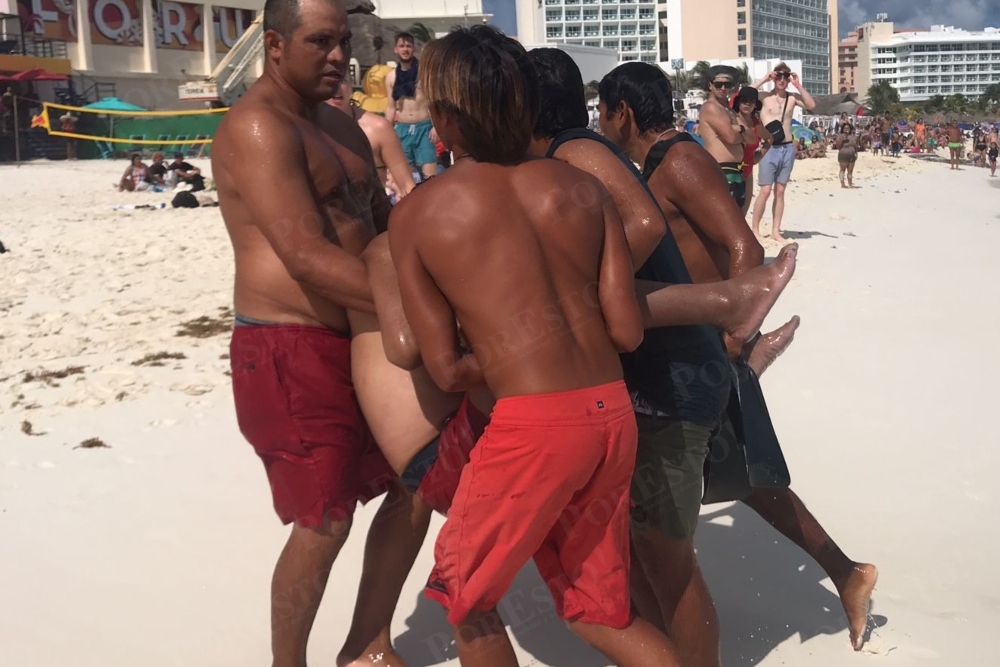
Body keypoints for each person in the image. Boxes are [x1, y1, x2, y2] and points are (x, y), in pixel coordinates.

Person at [390, 25, 685, 666]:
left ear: (443, 117)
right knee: (599, 609)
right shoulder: (584, 190)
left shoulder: (420, 213)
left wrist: (511, 352)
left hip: (530, 429)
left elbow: (445, 366)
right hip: (611, 417)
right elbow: (626, 329)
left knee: (466, 599)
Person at [526, 50, 797, 667]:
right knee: (643, 548)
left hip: (672, 380)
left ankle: (732, 304)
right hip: (663, 375)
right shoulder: (600, 157)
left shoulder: (588, 155)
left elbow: (693, 234)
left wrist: (587, 299)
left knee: (668, 561)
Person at [600, 61, 878, 654]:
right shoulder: (659, 162)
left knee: (693, 488)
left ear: (621, 112)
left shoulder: (678, 160)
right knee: (745, 475)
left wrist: (733, 337)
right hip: (693, 344)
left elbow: (743, 244)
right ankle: (848, 573)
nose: (600, 123)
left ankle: (657, 636)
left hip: (702, 346)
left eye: (603, 112)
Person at [210, 1, 423, 665]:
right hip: (289, 345)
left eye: (344, 40)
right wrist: (420, 312)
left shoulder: (342, 125)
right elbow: (306, 257)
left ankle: (366, 642)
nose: (339, 54)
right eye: (320, 41)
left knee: (420, 479)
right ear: (275, 44)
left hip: (366, 337)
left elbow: (383, 224)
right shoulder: (258, 129)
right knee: (324, 517)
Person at [749, 62, 816, 242]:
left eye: (785, 77)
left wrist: (797, 84)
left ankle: (776, 230)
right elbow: (744, 94)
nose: (782, 80)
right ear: (774, 77)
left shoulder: (792, 98)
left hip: (787, 147)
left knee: (780, 191)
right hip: (769, 147)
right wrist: (764, 78)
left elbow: (811, 104)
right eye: (779, 76)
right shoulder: (764, 97)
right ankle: (755, 228)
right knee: (765, 190)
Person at [328, 76, 416, 199]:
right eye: (329, 80)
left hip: (371, 215)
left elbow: (408, 187)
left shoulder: (377, 129)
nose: (337, 87)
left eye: (342, 79)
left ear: (351, 85)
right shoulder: (305, 128)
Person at [383, 32, 438, 181]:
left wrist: (436, 126)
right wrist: (386, 131)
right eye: (401, 46)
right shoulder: (391, 77)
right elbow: (390, 107)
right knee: (404, 177)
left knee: (430, 176)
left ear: (413, 49)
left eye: (408, 46)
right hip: (403, 129)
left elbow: (435, 100)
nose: (405, 49)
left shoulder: (425, 73)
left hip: (424, 129)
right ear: (396, 49)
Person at [696, 65, 750, 210]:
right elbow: (731, 138)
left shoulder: (729, 110)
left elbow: (749, 138)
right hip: (721, 169)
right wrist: (740, 131)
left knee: (736, 215)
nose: (723, 88)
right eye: (718, 84)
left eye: (727, 85)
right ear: (710, 85)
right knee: (726, 215)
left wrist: (740, 130)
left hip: (735, 169)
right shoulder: (711, 107)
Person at [733, 86, 771, 218]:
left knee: (742, 213)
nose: (747, 104)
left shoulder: (756, 123)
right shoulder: (731, 119)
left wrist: (759, 156)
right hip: (731, 170)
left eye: (751, 101)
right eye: (744, 100)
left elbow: (770, 139)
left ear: (755, 105)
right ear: (738, 102)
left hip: (748, 170)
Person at [835, 122, 858, 189]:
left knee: (850, 171)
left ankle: (850, 184)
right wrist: (842, 140)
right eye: (845, 128)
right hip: (843, 154)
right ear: (843, 129)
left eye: (848, 128)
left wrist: (856, 153)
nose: (846, 129)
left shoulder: (853, 136)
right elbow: (838, 146)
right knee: (842, 170)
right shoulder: (840, 136)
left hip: (852, 154)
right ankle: (843, 184)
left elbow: (855, 146)